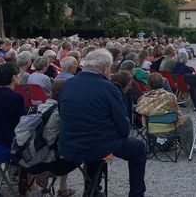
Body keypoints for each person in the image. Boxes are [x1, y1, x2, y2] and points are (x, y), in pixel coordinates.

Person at [59, 49, 147, 197]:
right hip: (97, 145)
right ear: (106, 68)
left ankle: (92, 189)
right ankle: (137, 193)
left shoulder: (68, 84)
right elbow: (124, 128)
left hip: (70, 145)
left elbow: (62, 114)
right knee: (138, 148)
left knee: (96, 142)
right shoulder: (109, 88)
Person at [28, 80, 77, 197]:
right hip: (53, 163)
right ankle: (63, 188)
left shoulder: (37, 107)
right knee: (68, 150)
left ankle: (33, 188)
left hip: (30, 160)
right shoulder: (63, 111)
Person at [135, 72, 194, 154]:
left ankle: (162, 145)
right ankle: (188, 149)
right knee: (186, 119)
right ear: (163, 83)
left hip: (151, 130)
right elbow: (178, 114)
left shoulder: (143, 99)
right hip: (169, 129)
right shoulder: (170, 96)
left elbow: (138, 110)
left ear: (148, 85)